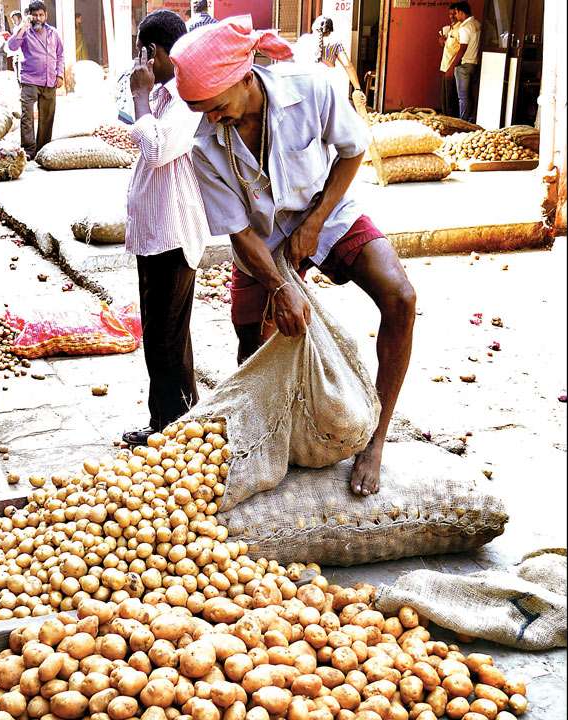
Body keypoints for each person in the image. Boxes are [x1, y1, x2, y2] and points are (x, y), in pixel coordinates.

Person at [172, 16, 417, 497]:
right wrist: (282, 286)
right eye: (201, 111)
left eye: (217, 107)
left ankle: (376, 439)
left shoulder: (314, 86)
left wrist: (316, 220)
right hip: (263, 239)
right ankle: (266, 443)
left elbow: (352, 151)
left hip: (328, 208)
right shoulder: (203, 143)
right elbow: (238, 231)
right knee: (254, 345)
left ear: (245, 77)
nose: (212, 119)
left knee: (401, 298)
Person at [118, 9, 211, 447]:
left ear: (151, 52)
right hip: (156, 233)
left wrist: (140, 98)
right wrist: (140, 96)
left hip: (172, 234)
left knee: (163, 338)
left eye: (143, 54)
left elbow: (155, 150)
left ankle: (167, 430)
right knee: (168, 333)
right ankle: (181, 418)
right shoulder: (162, 96)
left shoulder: (184, 100)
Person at [7, 1, 65, 158]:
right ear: (30, 16)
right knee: (27, 116)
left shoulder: (53, 33)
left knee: (47, 117)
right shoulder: (25, 32)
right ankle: (28, 150)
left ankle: (42, 150)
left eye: (41, 15)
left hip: (49, 80)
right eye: (35, 15)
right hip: (29, 80)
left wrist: (59, 74)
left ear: (46, 15)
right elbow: (11, 46)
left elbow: (60, 55)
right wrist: (22, 27)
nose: (38, 18)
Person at [297, 15, 361, 100]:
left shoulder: (304, 40)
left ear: (314, 27)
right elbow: (347, 65)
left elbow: (297, 62)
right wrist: (357, 88)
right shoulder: (336, 43)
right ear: (330, 31)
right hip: (328, 86)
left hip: (306, 85)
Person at [447, 2, 480, 122]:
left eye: (456, 13)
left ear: (461, 12)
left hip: (465, 65)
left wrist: (452, 67)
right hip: (475, 63)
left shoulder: (465, 27)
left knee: (463, 97)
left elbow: (463, 48)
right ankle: (471, 118)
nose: (455, 16)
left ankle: (463, 121)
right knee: (471, 95)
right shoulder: (477, 24)